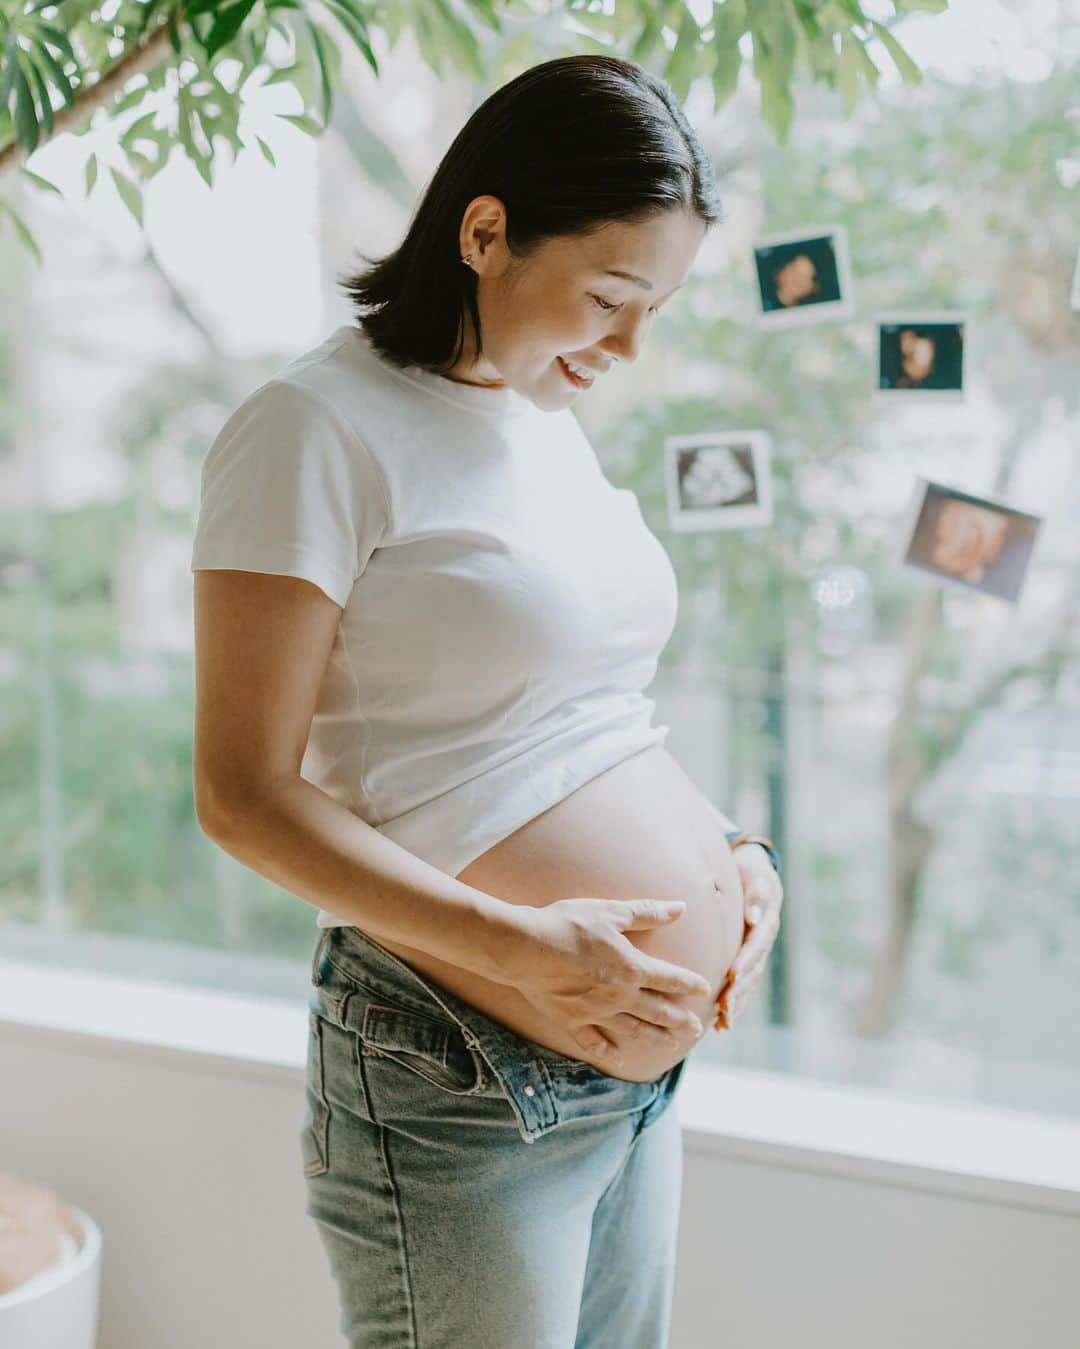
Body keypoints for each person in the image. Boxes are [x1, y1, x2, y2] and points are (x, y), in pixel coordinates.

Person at [190, 54, 784, 1348]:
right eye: (613, 297)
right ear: (484, 231)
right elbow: (242, 797)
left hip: (624, 1078)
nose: (630, 346)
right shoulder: (312, 429)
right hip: (460, 1064)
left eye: (657, 306)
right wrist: (516, 947)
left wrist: (735, 856)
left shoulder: (533, 414)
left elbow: (577, 712)